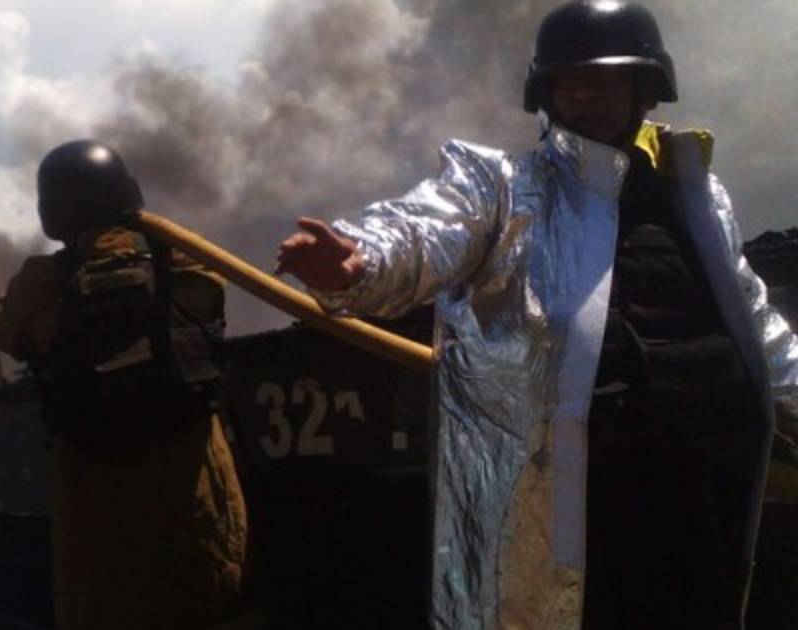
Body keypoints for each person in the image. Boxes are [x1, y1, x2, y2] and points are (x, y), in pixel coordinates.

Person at [274, 2, 798, 629]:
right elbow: (425, 228)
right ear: (546, 95)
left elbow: (754, 320)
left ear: (646, 89)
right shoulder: (500, 187)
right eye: (573, 81)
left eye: (610, 80)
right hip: (581, 502)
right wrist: (360, 262)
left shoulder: (698, 196)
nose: (590, 96)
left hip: (702, 489)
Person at [0, 140, 249, 630]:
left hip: (98, 504)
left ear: (51, 213)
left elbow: (5, 333)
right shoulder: (185, 259)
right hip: (193, 492)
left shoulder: (39, 283)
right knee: (208, 596)